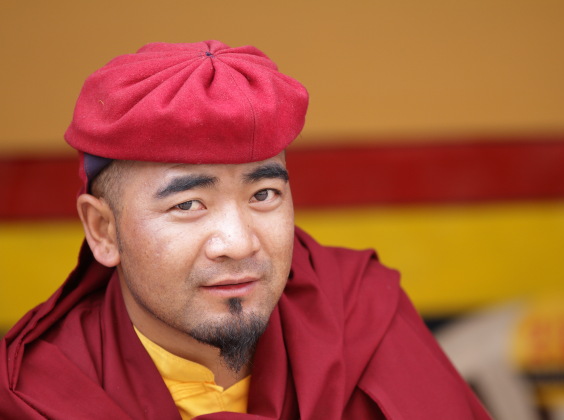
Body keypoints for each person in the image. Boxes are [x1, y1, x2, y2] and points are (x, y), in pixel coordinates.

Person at [0, 40, 490, 419]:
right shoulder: (39, 394)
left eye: (263, 195)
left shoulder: (360, 316)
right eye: (189, 203)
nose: (238, 243)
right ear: (103, 230)